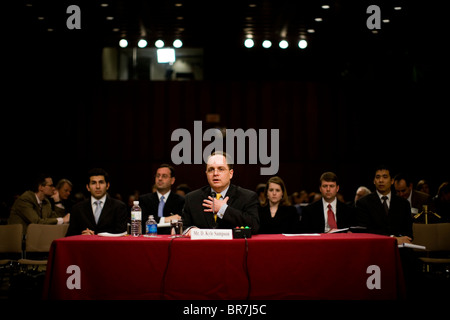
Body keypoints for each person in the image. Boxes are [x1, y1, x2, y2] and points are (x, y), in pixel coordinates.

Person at [182, 151, 259, 234]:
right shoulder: (192, 198)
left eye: (221, 169)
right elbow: (183, 226)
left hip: (233, 246)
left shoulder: (247, 197)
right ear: (206, 174)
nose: (215, 173)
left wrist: (223, 210)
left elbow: (254, 226)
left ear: (231, 173)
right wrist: (190, 230)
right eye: (211, 170)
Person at [355, 165, 413, 244]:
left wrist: (401, 239)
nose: (381, 180)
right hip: (375, 246)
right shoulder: (363, 203)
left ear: (392, 181)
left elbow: (409, 233)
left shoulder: (404, 203)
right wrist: (393, 239)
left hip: (400, 248)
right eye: (378, 177)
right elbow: (365, 231)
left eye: (385, 177)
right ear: (374, 181)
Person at [66, 168, 127, 236]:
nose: (98, 187)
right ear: (88, 187)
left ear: (107, 186)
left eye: (101, 182)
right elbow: (70, 235)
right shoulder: (77, 208)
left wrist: (97, 237)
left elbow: (122, 234)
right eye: (93, 183)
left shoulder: (119, 206)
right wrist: (82, 235)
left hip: (110, 246)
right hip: (85, 245)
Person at [139, 164, 185, 234]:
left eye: (164, 176)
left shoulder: (181, 201)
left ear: (172, 180)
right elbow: (142, 221)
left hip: (171, 239)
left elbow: (182, 223)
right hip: (149, 238)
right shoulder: (144, 199)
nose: (160, 179)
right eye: (158, 176)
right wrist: (165, 219)